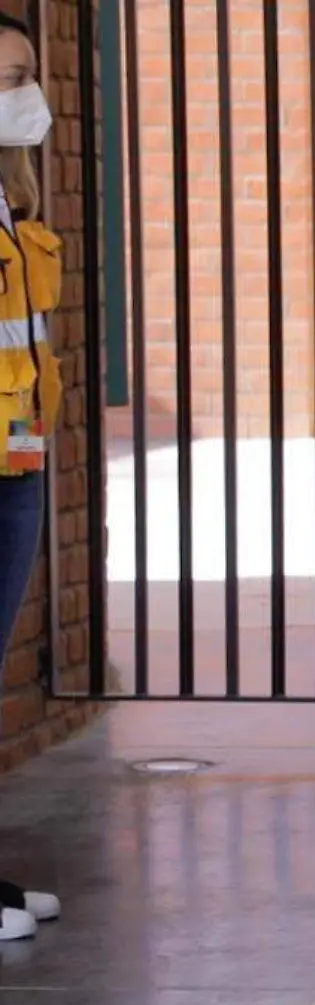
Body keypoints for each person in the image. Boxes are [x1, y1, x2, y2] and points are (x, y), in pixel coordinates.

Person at [0, 13, 63, 943]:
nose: (26, 93)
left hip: (16, 453)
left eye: (26, 75)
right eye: (10, 76)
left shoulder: (12, 197)